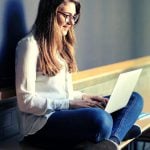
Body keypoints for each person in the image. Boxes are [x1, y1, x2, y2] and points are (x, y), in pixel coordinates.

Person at [15, 0, 143, 150]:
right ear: (50, 13)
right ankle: (118, 130)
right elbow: (25, 101)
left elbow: (61, 93)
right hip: (41, 124)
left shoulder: (61, 46)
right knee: (101, 119)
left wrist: (83, 97)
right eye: (66, 15)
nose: (71, 22)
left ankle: (111, 141)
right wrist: (70, 104)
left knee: (134, 98)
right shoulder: (29, 45)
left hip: (64, 112)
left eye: (74, 17)